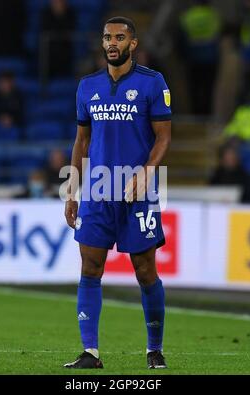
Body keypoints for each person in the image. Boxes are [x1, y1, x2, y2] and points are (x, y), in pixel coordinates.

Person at [64, 17, 171, 369]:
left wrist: (146, 172)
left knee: (145, 271)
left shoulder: (152, 83)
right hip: (97, 191)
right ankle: (89, 353)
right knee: (90, 267)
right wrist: (72, 191)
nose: (112, 42)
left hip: (136, 191)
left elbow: (164, 136)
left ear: (133, 44)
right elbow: (82, 141)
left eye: (119, 37)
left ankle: (154, 349)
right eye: (107, 37)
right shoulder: (87, 86)